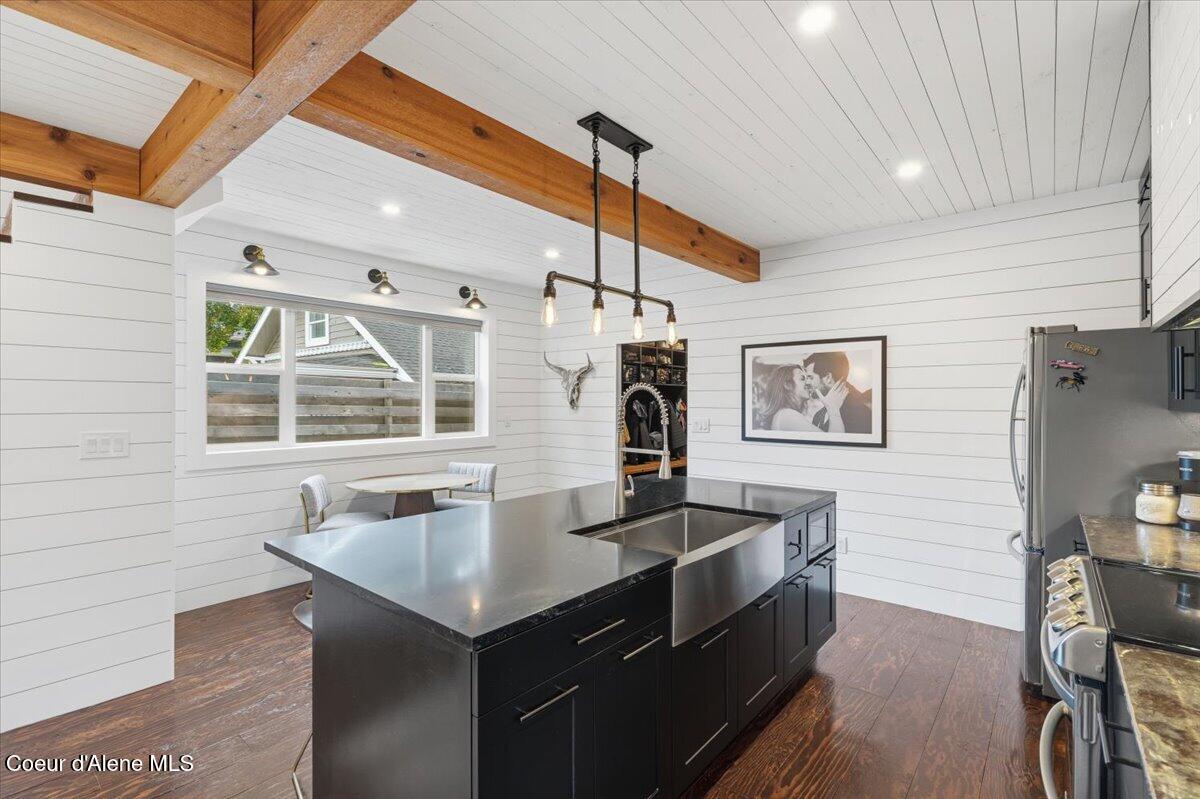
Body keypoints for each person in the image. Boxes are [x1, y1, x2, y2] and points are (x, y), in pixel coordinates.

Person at [759, 363, 848, 433]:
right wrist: (833, 410)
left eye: (808, 378)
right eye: (802, 379)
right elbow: (832, 442)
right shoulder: (788, 415)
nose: (808, 382)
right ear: (788, 385)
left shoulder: (784, 414)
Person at [803, 351, 872, 434]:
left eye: (810, 377)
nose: (806, 382)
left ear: (828, 378)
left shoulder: (860, 413)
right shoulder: (819, 415)